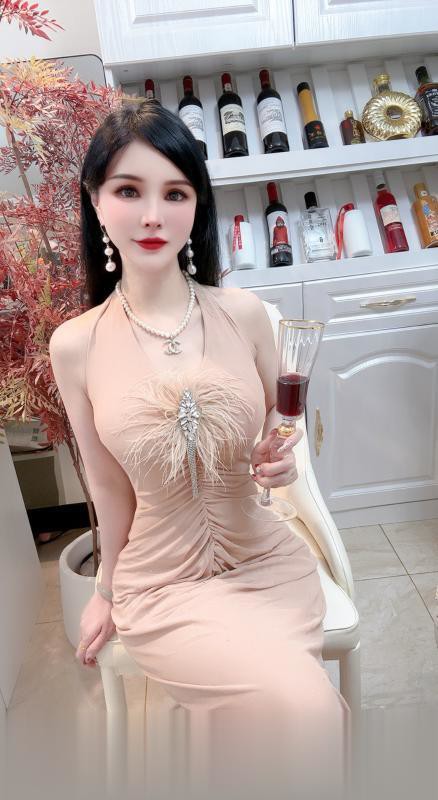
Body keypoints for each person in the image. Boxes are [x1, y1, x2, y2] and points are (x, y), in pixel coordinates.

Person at [49, 99, 351, 800]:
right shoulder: (77, 345)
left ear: (197, 205)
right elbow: (108, 487)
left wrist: (280, 456)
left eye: (175, 193)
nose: (153, 215)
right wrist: (105, 590)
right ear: (96, 200)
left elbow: (281, 423)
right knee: (307, 712)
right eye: (129, 191)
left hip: (265, 562)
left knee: (281, 718)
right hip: (162, 585)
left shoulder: (243, 314)